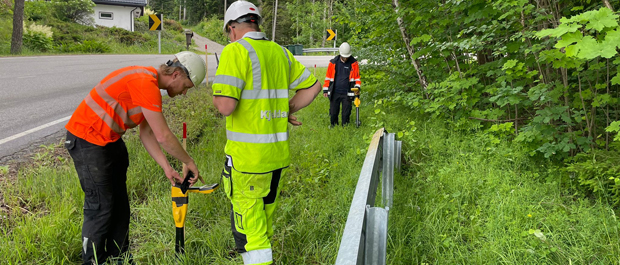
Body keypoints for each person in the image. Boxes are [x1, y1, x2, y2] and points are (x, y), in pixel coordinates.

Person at [64, 51, 206, 265]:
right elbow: (163, 136)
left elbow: (147, 133)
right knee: (101, 207)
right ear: (176, 74)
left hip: (109, 141)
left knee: (120, 206)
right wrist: (189, 162)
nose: (185, 93)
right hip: (88, 140)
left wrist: (167, 168)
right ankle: (93, 261)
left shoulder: (151, 87)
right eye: (187, 86)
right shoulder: (144, 82)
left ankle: (120, 258)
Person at [212, 1, 321, 264]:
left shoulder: (235, 51)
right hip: (276, 158)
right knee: (264, 220)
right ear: (256, 23)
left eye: (228, 33)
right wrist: (285, 109)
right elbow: (313, 86)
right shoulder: (280, 53)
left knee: (252, 233)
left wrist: (217, 94)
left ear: (233, 28)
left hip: (248, 161)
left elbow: (226, 106)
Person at [323, 42, 362, 127]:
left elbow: (357, 78)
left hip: (348, 93)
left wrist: (357, 87)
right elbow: (328, 77)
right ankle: (333, 126)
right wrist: (325, 89)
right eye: (344, 56)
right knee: (333, 112)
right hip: (335, 92)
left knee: (346, 113)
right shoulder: (333, 63)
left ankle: (345, 127)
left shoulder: (354, 63)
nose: (345, 58)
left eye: (347, 56)